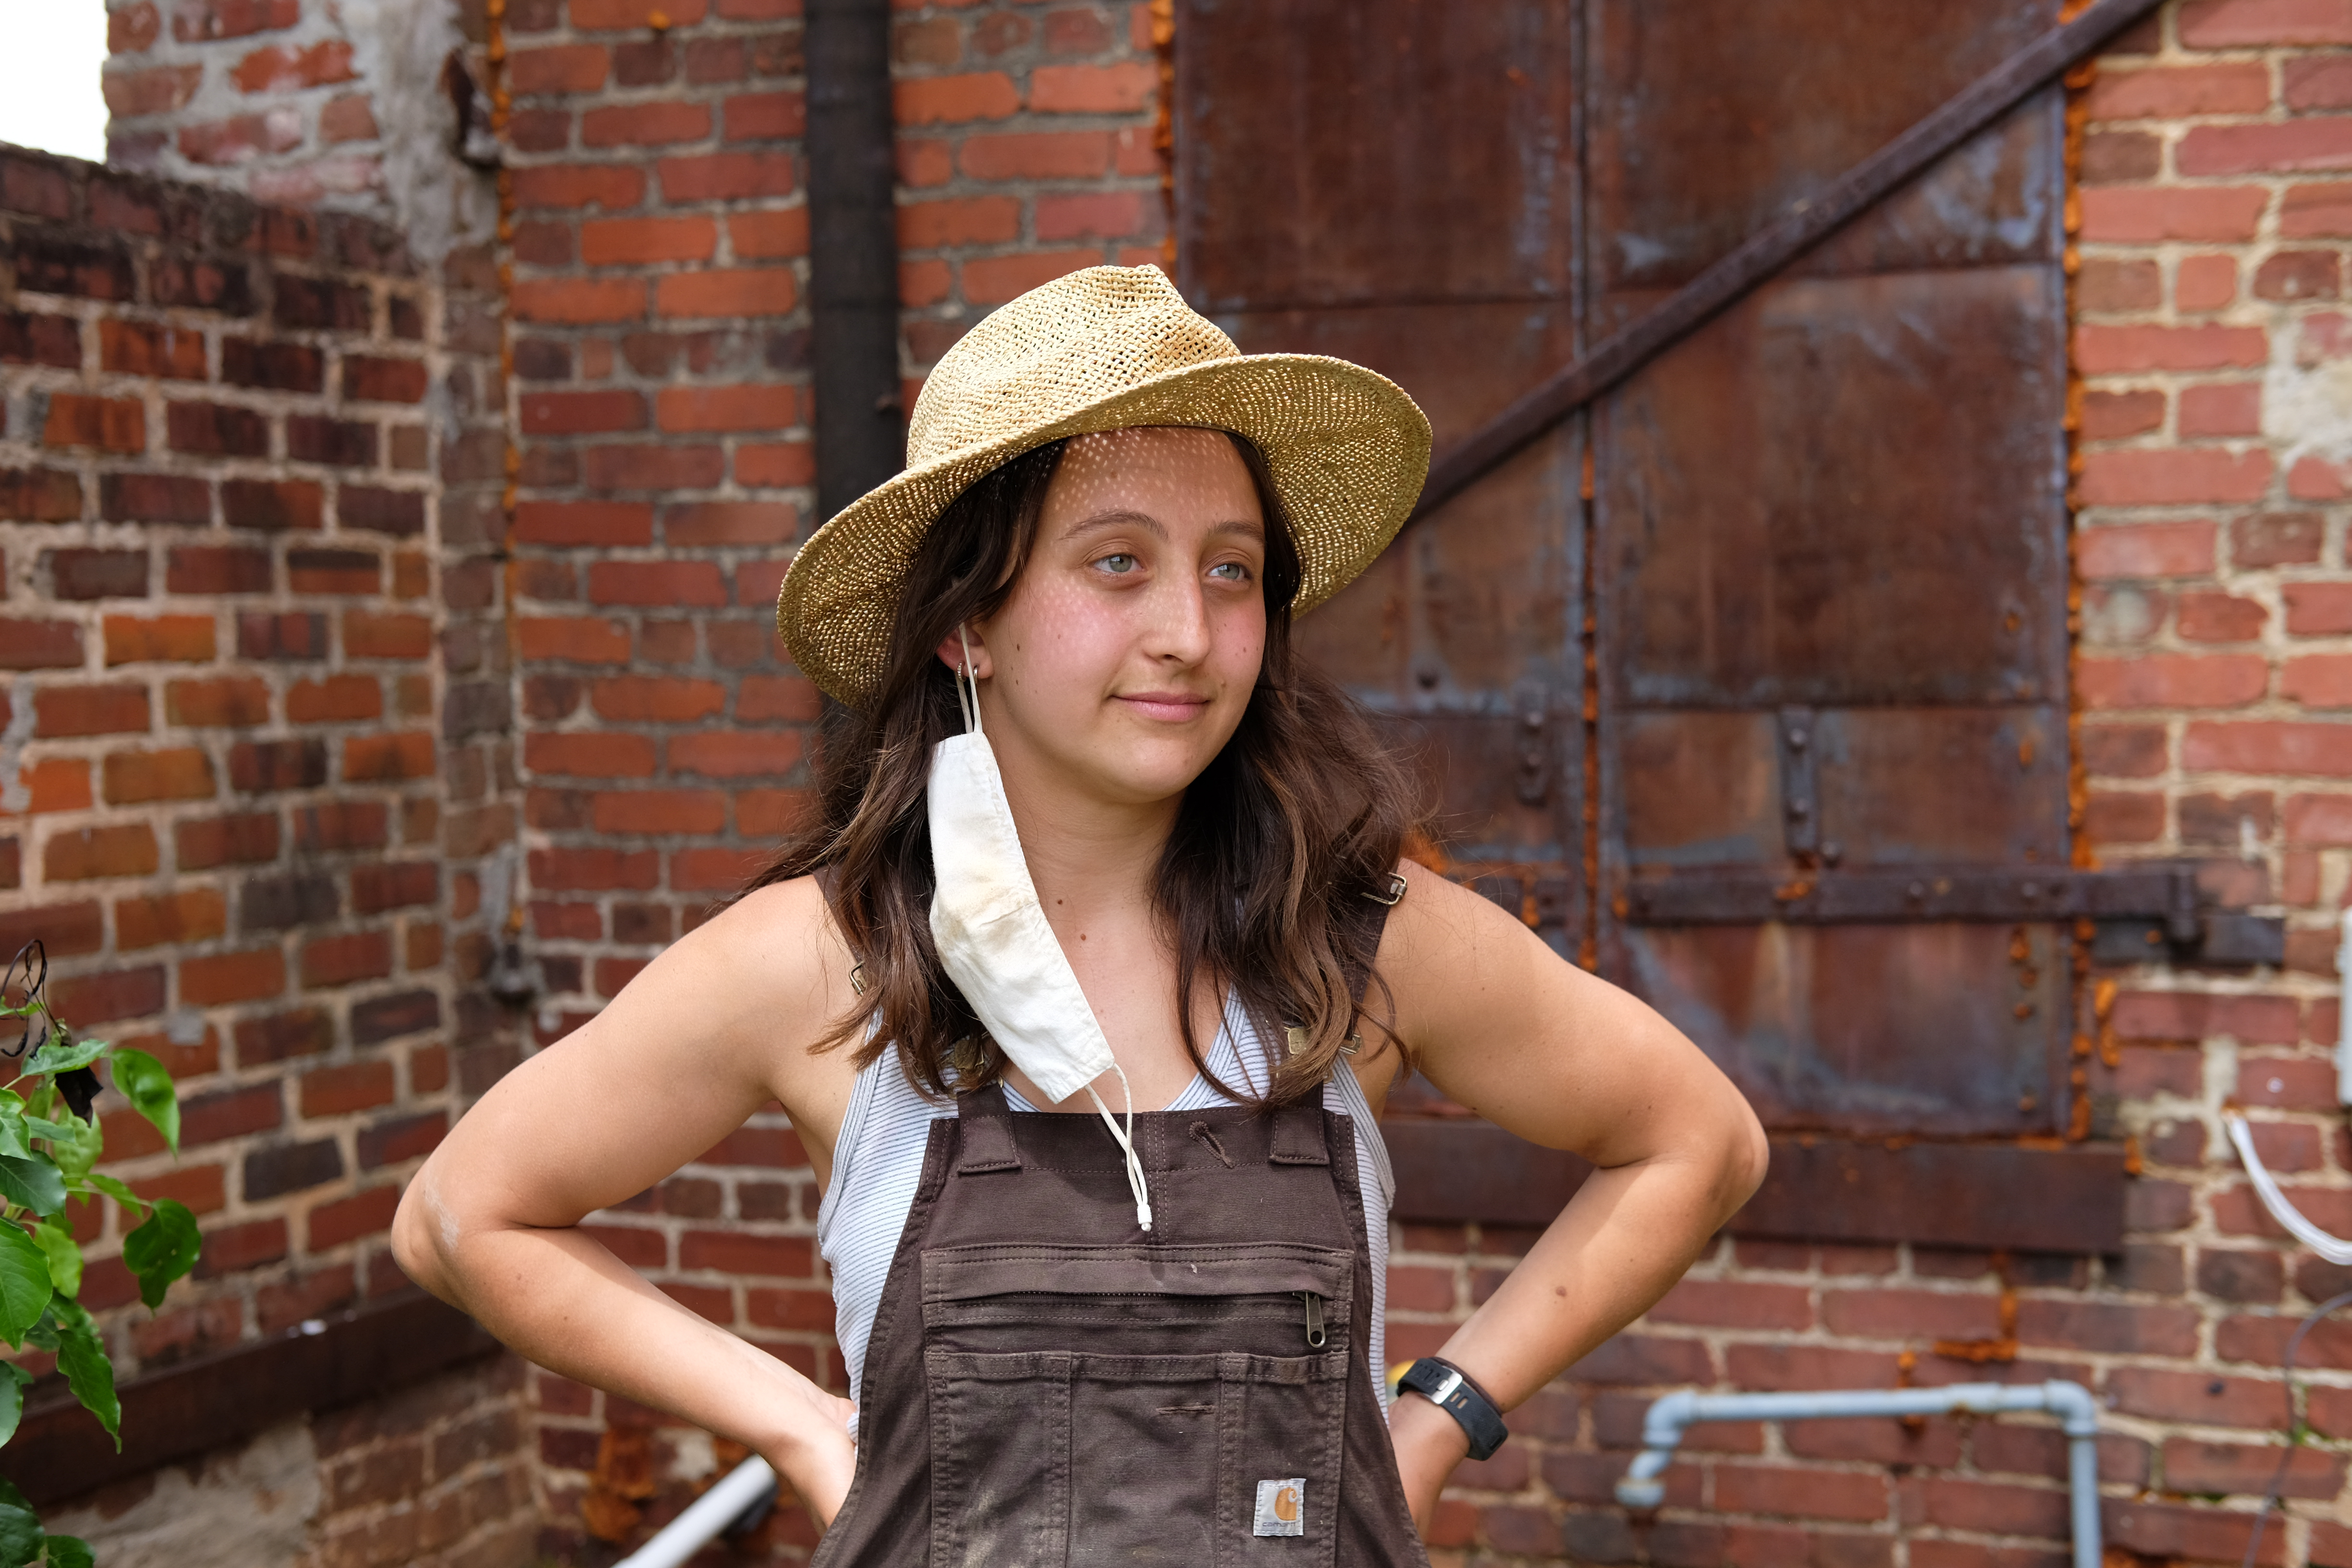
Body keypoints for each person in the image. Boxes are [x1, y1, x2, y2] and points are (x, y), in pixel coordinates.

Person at [392, 264, 1767, 1560]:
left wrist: (1428, 1424)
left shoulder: (1363, 938)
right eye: (1118, 563)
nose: (1188, 628)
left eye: (1231, 570)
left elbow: (1697, 1141)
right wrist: (798, 1423)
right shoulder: (827, 959)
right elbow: (462, 1215)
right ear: (966, 626)